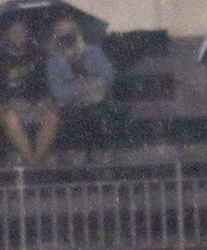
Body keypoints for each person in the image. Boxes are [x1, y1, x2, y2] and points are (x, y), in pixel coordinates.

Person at [45, 17, 123, 163]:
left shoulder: (93, 52)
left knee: (97, 113)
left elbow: (109, 75)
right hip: (70, 105)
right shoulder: (53, 62)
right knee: (77, 116)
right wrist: (83, 88)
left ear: (76, 32)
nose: (66, 35)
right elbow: (58, 91)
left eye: (69, 31)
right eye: (61, 32)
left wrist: (94, 85)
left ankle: (98, 157)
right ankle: (83, 159)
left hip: (98, 101)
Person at [0, 20, 59, 166]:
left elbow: (44, 87)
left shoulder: (36, 57)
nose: (19, 36)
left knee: (52, 116)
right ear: (6, 35)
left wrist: (40, 104)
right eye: (14, 32)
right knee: (9, 117)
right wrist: (8, 103)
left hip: (33, 106)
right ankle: (33, 164)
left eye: (22, 32)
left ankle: (34, 164)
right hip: (8, 108)